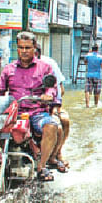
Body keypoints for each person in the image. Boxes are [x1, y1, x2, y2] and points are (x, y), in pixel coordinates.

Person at [0, 31, 62, 182]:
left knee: (51, 126)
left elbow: (52, 88)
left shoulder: (45, 67)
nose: (24, 51)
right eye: (21, 48)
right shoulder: (9, 69)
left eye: (27, 48)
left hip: (36, 113)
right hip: (13, 112)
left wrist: (47, 95)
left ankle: (41, 167)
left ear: (34, 48)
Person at [35, 44, 70, 172]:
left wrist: (54, 105)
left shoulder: (48, 65)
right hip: (24, 109)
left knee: (62, 123)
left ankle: (56, 153)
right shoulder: (13, 68)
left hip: (47, 107)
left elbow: (59, 89)